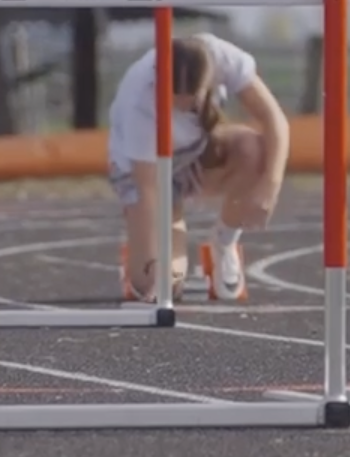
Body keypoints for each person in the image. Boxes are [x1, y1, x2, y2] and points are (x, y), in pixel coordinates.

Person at [109, 31, 293, 303]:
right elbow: (149, 189)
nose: (182, 106)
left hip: (196, 153)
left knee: (253, 149)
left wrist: (270, 187)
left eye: (190, 99)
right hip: (145, 172)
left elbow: (274, 119)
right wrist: (159, 259)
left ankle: (224, 242)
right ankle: (140, 264)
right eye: (174, 99)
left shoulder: (223, 58)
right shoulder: (138, 100)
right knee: (160, 286)